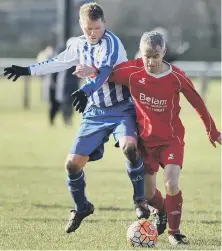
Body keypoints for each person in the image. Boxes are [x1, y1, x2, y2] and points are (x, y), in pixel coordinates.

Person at [3, 2, 150, 233]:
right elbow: (57, 62)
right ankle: (82, 207)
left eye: (96, 28)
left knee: (129, 148)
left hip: (122, 108)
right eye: (87, 29)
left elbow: (105, 72)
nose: (91, 34)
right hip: (94, 113)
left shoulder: (112, 43)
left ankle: (140, 200)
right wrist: (27, 70)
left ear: (104, 24)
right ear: (81, 26)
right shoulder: (78, 44)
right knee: (72, 165)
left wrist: (85, 90)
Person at [72, 31, 221, 245]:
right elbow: (107, 73)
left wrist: (213, 131)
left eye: (155, 56)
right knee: (149, 194)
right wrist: (93, 70)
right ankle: (161, 212)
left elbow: (197, 102)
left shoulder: (176, 77)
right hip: (146, 142)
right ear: (140, 53)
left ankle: (174, 233)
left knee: (171, 183)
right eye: (146, 56)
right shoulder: (132, 72)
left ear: (164, 53)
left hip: (171, 140)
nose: (150, 61)